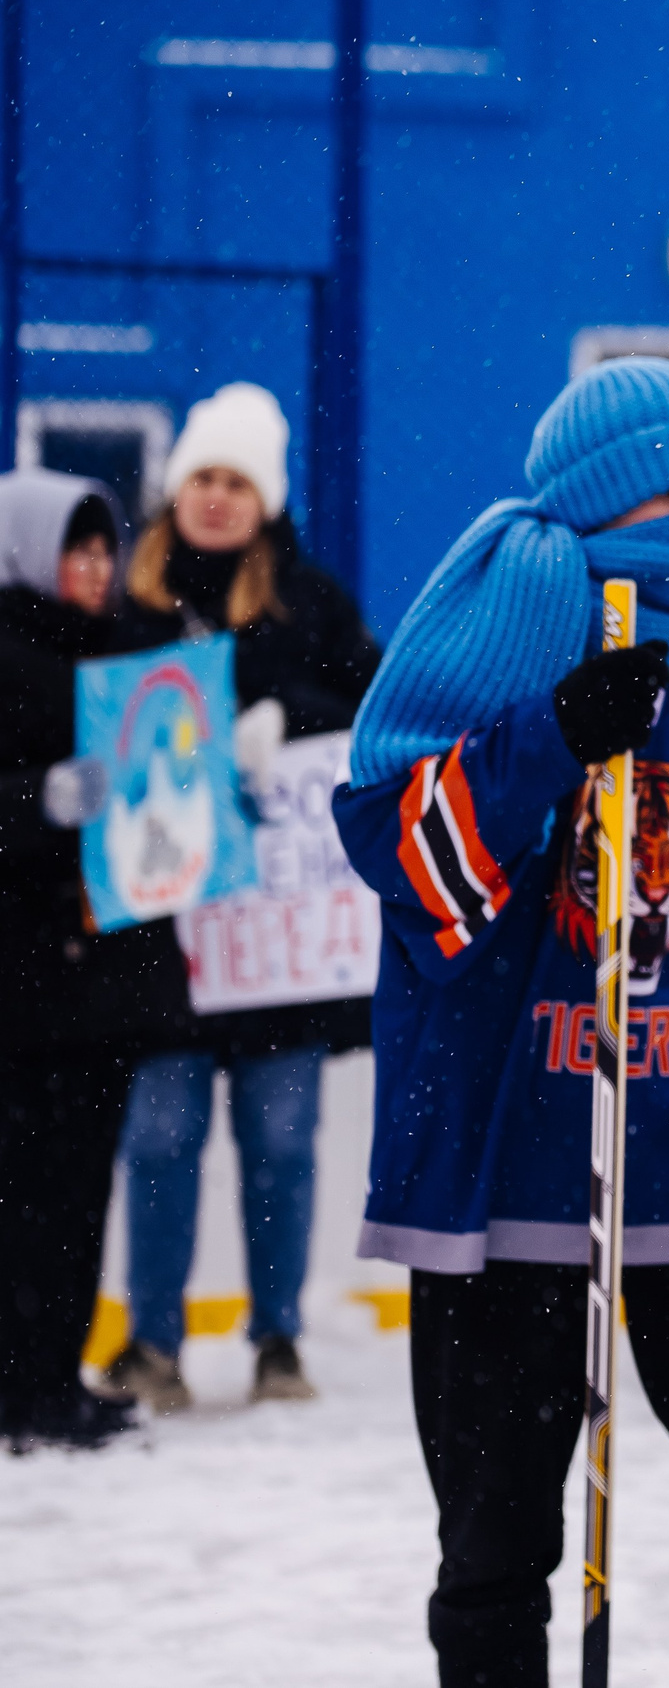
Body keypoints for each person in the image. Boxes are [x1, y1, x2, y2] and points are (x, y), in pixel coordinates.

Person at [334, 357, 669, 1685]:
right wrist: (549, 737)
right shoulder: (485, 636)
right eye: (668, 489)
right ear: (591, 500)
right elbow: (409, 861)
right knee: (497, 1547)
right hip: (506, 1162)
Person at [93, 382, 380, 1412]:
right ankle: (153, 1341)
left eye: (236, 481)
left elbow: (367, 711)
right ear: (175, 490)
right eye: (202, 478)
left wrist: (277, 715)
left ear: (266, 498)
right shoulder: (127, 607)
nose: (217, 498)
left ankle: (278, 1339)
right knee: (161, 1137)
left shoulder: (312, 602)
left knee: (281, 1146)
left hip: (277, 945)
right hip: (161, 942)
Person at [0, 469, 189, 1449]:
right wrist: (37, 800)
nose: (93, 566)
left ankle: (54, 1377)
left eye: (103, 547)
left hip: (102, 985)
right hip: (23, 986)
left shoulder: (128, 656)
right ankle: (16, 1386)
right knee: (21, 1194)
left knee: (77, 1193)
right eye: (74, 548)